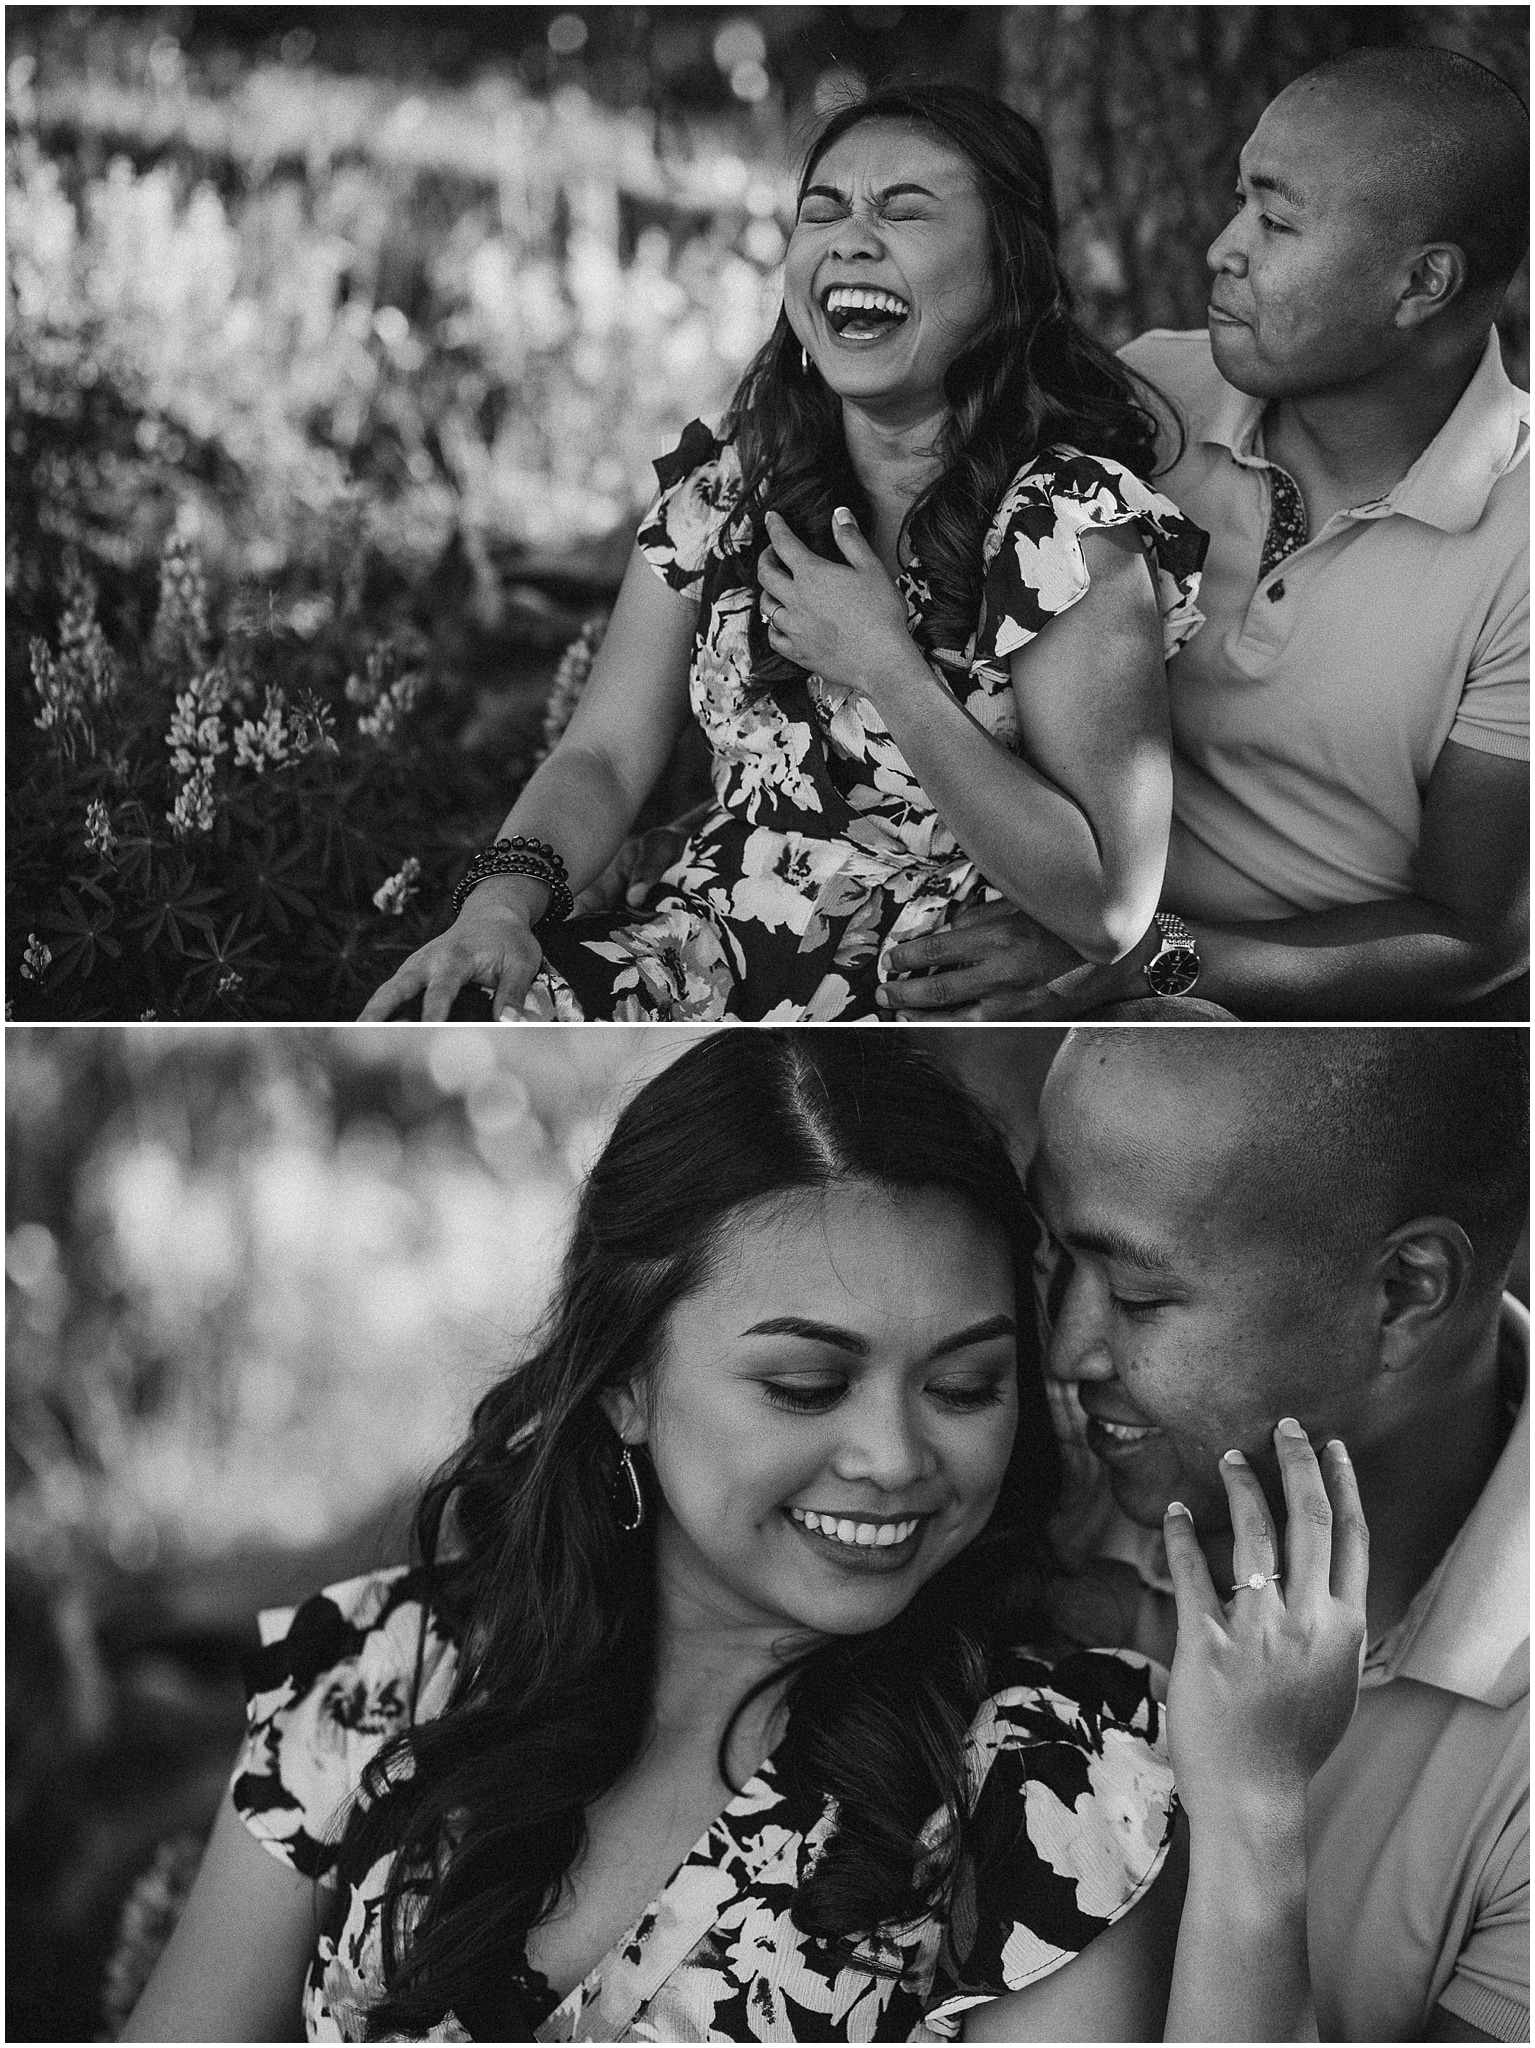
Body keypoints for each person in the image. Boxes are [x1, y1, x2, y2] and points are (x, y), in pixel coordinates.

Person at [125, 1033, 1366, 2043]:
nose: (892, 1456)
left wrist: (1254, 1805)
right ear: (623, 1381)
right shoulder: (390, 1665)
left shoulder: (1052, 1784)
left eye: (963, 1385)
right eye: (804, 1385)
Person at [360, 84, 1207, 1024]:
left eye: (904, 210)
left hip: (924, 1008)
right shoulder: (730, 489)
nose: (849, 237)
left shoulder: (1063, 523)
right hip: (696, 964)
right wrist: (499, 905)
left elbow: (1109, 906)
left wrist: (886, 664)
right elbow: (601, 754)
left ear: (1010, 269)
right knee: (449, 1013)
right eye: (822, 210)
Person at [875, 46, 1529, 1021]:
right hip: (1040, 923)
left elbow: (1472, 935)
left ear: (1420, 285)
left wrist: (1146, 958)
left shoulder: (1520, 538)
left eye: (1272, 221)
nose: (1220, 247)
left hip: (1313, 1026)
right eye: (1237, 202)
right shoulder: (1146, 403)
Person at [1031, 1027, 1529, 2042]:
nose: (1066, 1348)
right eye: (1051, 1255)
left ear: (1401, 1292)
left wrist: (1256, 1819)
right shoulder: (1014, 1463)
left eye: (1136, 1296)